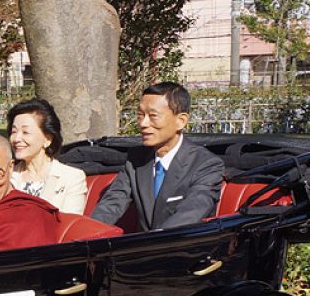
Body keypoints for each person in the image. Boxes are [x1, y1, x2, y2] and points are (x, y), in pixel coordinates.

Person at [91, 82, 224, 232]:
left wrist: (152, 241)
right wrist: (86, 234)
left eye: (153, 116)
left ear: (181, 121)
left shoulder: (206, 164)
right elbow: (111, 204)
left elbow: (191, 213)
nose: (143, 123)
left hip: (182, 244)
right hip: (141, 244)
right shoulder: (136, 159)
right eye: (140, 115)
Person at [7, 98, 88, 214]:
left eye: (25, 132)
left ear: (47, 139)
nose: (16, 139)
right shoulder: (7, 176)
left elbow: (70, 222)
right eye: (14, 132)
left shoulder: (71, 178)